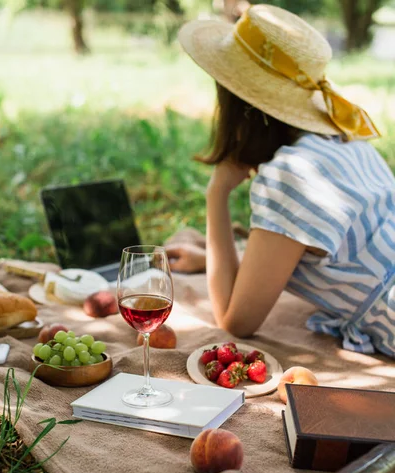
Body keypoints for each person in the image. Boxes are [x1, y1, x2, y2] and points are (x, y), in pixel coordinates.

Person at [166, 4, 395, 358]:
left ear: (239, 106)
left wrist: (218, 193)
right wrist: (216, 258)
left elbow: (234, 320)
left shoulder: (291, 175)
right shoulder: (345, 138)